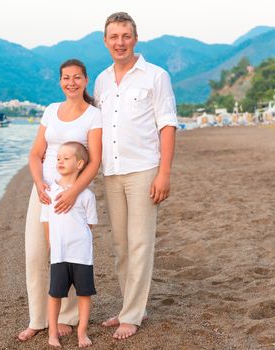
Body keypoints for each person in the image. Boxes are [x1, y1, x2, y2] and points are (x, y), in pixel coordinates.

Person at [93, 12, 178, 340]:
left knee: (140, 242)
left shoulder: (156, 76)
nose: (120, 42)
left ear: (135, 39)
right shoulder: (101, 81)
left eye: (126, 36)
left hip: (144, 170)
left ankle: (132, 315)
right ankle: (130, 305)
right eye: (114, 37)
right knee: (121, 245)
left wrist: (164, 173)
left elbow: (167, 124)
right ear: (105, 41)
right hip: (112, 171)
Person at [18, 59, 102, 341]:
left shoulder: (93, 115)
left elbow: (95, 160)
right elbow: (35, 154)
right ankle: (38, 319)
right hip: (44, 193)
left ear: (86, 80)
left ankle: (67, 317)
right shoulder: (51, 111)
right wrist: (39, 182)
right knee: (36, 253)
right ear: (60, 81)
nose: (71, 83)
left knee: (69, 252)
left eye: (77, 77)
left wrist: (75, 191)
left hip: (73, 194)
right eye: (66, 78)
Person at [41, 142, 97, 348]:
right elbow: (46, 223)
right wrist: (52, 246)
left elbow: (89, 225)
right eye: (58, 158)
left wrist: (79, 242)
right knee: (55, 294)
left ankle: (82, 331)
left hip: (81, 254)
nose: (60, 161)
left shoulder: (86, 195)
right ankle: (53, 333)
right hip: (59, 255)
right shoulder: (49, 192)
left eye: (66, 158)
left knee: (84, 293)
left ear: (80, 163)